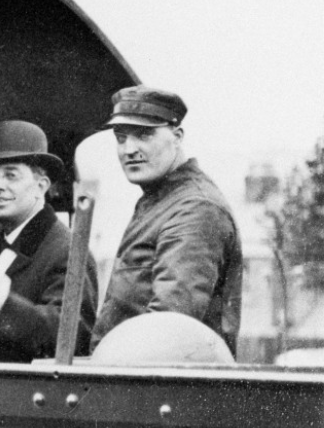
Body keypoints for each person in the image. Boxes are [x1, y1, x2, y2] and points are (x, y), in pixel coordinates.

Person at [90, 86, 242, 354]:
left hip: (157, 384)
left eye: (144, 135)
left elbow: (168, 329)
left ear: (177, 136)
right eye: (121, 138)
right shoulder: (162, 201)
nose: (129, 149)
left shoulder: (195, 209)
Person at [0, 120, 97, 362]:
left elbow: (76, 337)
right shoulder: (1, 243)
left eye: (11, 175)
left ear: (41, 186)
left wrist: (4, 305)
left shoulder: (67, 250)